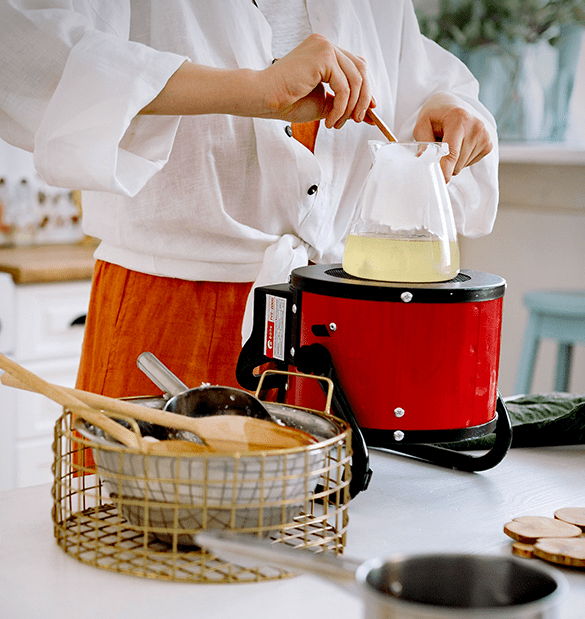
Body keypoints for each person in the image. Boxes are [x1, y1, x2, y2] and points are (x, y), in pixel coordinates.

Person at [0, 0, 498, 399]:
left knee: (316, 523)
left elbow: (420, 73)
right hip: (170, 319)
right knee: (141, 519)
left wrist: (449, 106)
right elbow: (19, 44)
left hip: (330, 332)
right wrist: (252, 90)